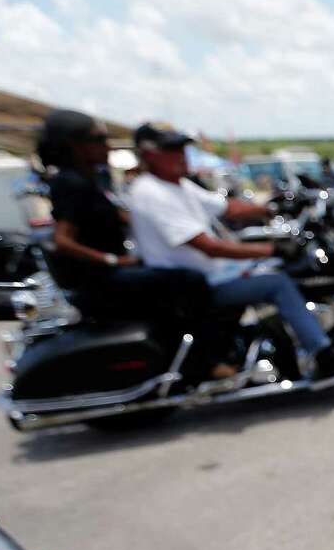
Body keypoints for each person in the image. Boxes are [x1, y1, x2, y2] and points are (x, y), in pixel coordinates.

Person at [125, 123, 334, 377]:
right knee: (277, 282)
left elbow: (226, 207)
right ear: (149, 154)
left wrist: (274, 207)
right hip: (199, 284)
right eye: (171, 149)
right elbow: (209, 247)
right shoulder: (153, 193)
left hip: (212, 275)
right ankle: (322, 353)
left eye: (182, 148)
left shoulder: (177, 185)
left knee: (281, 271)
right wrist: (273, 249)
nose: (181, 155)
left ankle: (279, 344)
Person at [36, 110, 236, 379]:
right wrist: (113, 260)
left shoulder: (85, 181)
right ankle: (206, 362)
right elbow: (62, 240)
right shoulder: (70, 183)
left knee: (176, 283)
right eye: (98, 139)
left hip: (107, 277)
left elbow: (110, 216)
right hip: (101, 282)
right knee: (191, 281)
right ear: (74, 145)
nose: (106, 146)